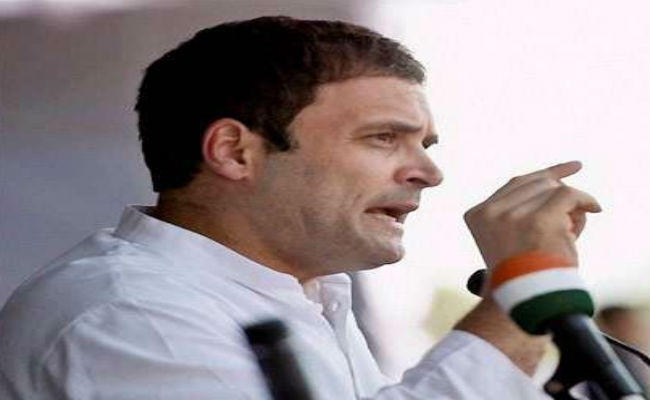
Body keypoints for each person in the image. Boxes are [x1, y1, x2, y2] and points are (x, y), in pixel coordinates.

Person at [0, 16, 601, 399]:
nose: (428, 172)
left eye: (426, 144)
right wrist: (520, 290)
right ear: (235, 152)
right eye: (383, 138)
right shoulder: (128, 312)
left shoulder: (303, 296)